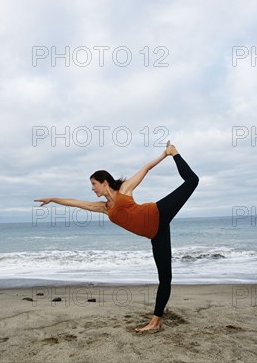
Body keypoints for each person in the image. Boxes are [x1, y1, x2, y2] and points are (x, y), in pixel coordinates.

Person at [35, 141, 199, 332]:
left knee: (192, 181)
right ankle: (156, 321)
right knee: (165, 278)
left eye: (94, 184)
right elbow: (77, 203)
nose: (92, 189)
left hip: (158, 212)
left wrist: (166, 155)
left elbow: (145, 169)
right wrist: (53, 199)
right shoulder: (104, 208)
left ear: (104, 183)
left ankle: (175, 152)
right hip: (157, 234)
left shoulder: (125, 190)